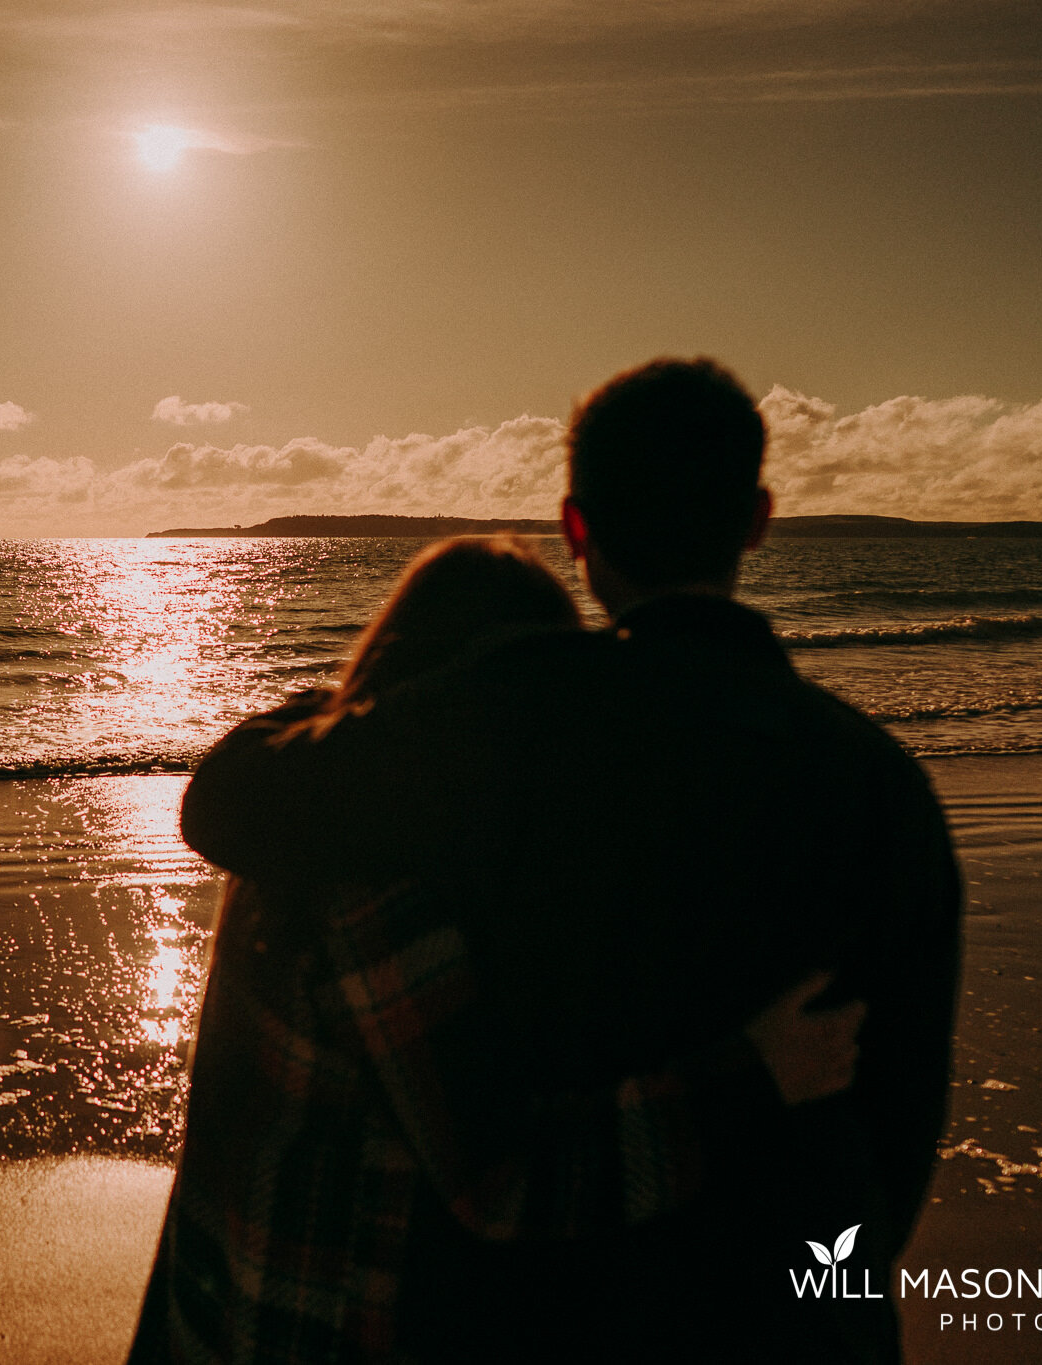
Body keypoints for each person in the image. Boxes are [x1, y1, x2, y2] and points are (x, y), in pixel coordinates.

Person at [175, 360, 963, 1361]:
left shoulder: (499, 726)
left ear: (575, 531)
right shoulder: (881, 783)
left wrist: (350, 700)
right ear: (757, 518)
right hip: (805, 1318)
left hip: (560, 1314)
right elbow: (899, 1124)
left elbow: (234, 804)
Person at [130, 535, 873, 1364]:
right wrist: (751, 1076)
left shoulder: (299, 811)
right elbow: (504, 1180)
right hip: (315, 1327)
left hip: (216, 1301)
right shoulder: (371, 884)